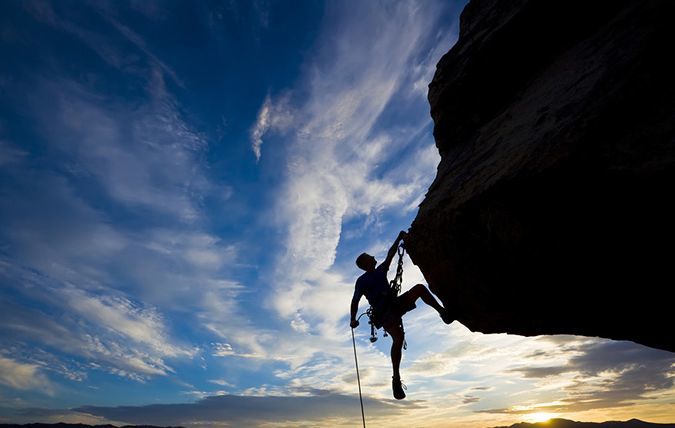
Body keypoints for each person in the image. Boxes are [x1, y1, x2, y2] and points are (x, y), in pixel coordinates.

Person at [350, 230, 453, 400]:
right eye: (370, 256)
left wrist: (398, 238)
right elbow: (354, 301)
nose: (374, 256)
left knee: (419, 289)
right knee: (398, 338)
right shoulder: (363, 280)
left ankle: (443, 312)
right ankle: (396, 378)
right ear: (366, 263)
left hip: (393, 305)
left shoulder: (379, 271)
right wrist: (352, 319)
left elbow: (391, 254)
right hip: (385, 313)